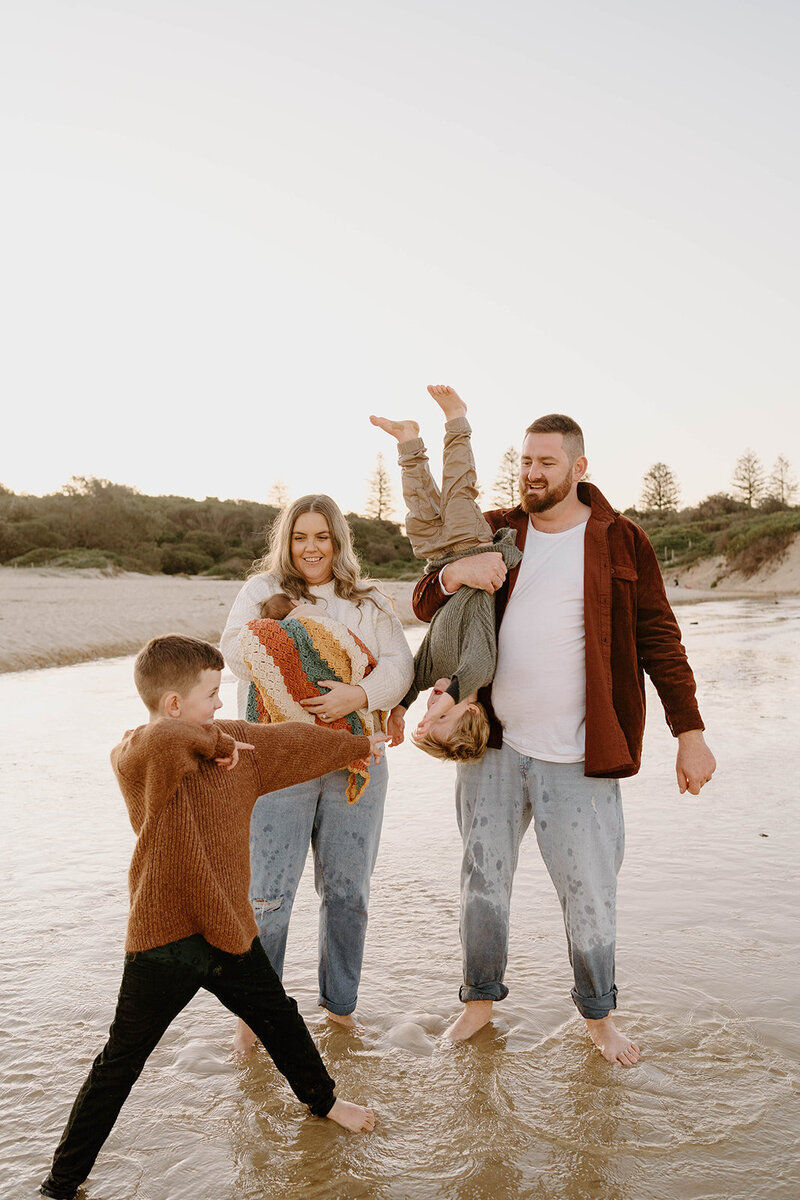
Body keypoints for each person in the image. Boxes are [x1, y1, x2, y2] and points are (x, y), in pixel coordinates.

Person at [412, 411, 717, 1062]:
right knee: (482, 883)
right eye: (525, 461)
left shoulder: (622, 540)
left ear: (579, 468)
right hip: (494, 746)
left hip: (581, 755)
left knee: (589, 890)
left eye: (546, 463)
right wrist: (452, 577)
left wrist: (689, 732)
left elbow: (661, 638)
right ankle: (478, 1006)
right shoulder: (497, 531)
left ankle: (599, 1019)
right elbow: (423, 600)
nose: (532, 473)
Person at [39, 635, 386, 1200]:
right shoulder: (143, 755)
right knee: (119, 1063)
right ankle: (61, 1182)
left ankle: (324, 1102)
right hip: (163, 937)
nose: (221, 706)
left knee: (280, 1019)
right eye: (211, 695)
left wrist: (352, 746)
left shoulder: (240, 750)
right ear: (173, 703)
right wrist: (219, 743)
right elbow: (162, 738)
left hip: (227, 928)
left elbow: (289, 740)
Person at [220, 495, 413, 1050]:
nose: (311, 548)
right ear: (287, 541)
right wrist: (295, 634)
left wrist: (358, 692)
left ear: (338, 542)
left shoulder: (368, 600)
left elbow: (400, 666)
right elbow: (235, 652)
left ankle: (341, 1011)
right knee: (268, 894)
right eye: (301, 537)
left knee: (349, 892)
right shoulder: (261, 592)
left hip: (356, 756)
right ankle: (256, 1016)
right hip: (279, 759)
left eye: (322, 537)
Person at [370, 384, 522, 762]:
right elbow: (472, 672)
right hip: (473, 546)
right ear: (469, 708)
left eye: (430, 714)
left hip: (437, 561)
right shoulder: (478, 670)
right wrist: (446, 701)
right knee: (458, 491)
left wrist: (402, 709)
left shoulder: (433, 671)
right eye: (442, 715)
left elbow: (413, 675)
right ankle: (457, 419)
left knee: (419, 511)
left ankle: (408, 440)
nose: (433, 706)